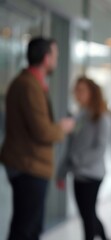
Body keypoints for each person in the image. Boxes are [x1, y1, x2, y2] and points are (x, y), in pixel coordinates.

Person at [0, 37, 75, 239]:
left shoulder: (30, 83)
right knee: (25, 229)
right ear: (46, 58)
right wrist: (62, 128)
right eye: (55, 56)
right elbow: (42, 131)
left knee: (30, 227)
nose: (57, 61)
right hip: (28, 166)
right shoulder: (29, 86)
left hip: (29, 164)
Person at [56, 76, 111, 240]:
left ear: (92, 93)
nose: (77, 94)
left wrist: (76, 161)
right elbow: (70, 147)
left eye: (81, 90)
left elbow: (100, 149)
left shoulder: (102, 117)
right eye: (76, 90)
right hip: (78, 173)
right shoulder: (79, 116)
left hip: (92, 174)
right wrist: (61, 171)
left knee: (87, 216)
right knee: (88, 214)